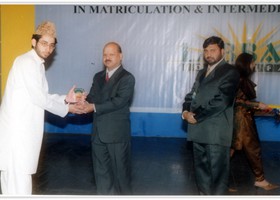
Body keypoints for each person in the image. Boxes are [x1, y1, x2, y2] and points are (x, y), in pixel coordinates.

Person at [0, 21, 84, 195]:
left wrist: (66, 100)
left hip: (21, 136)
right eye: (44, 43)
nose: (48, 49)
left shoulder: (36, 64)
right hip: (18, 137)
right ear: (34, 42)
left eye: (51, 45)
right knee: (19, 186)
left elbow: (41, 96)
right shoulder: (27, 62)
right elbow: (39, 98)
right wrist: (67, 109)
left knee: (13, 185)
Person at [182, 36, 240, 195]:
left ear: (222, 51)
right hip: (198, 131)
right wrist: (185, 111)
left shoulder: (230, 72)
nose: (209, 54)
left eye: (213, 50)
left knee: (218, 177)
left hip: (216, 133)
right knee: (201, 175)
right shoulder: (201, 73)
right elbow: (191, 94)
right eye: (206, 51)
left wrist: (196, 116)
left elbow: (222, 101)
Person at [81, 42, 135, 194]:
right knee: (101, 177)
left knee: (121, 178)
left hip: (116, 135)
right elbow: (92, 97)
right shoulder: (98, 77)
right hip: (98, 134)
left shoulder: (127, 78)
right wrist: (82, 101)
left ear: (120, 56)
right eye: (105, 54)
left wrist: (93, 107)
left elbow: (119, 101)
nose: (107, 57)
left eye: (111, 54)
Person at [230, 52, 279, 191]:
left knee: (230, 150)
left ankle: (217, 180)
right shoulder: (239, 79)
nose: (255, 64)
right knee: (253, 148)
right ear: (247, 64)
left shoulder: (240, 78)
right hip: (242, 121)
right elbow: (236, 101)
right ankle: (260, 180)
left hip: (242, 118)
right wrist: (257, 105)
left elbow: (242, 101)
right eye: (253, 62)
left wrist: (261, 107)